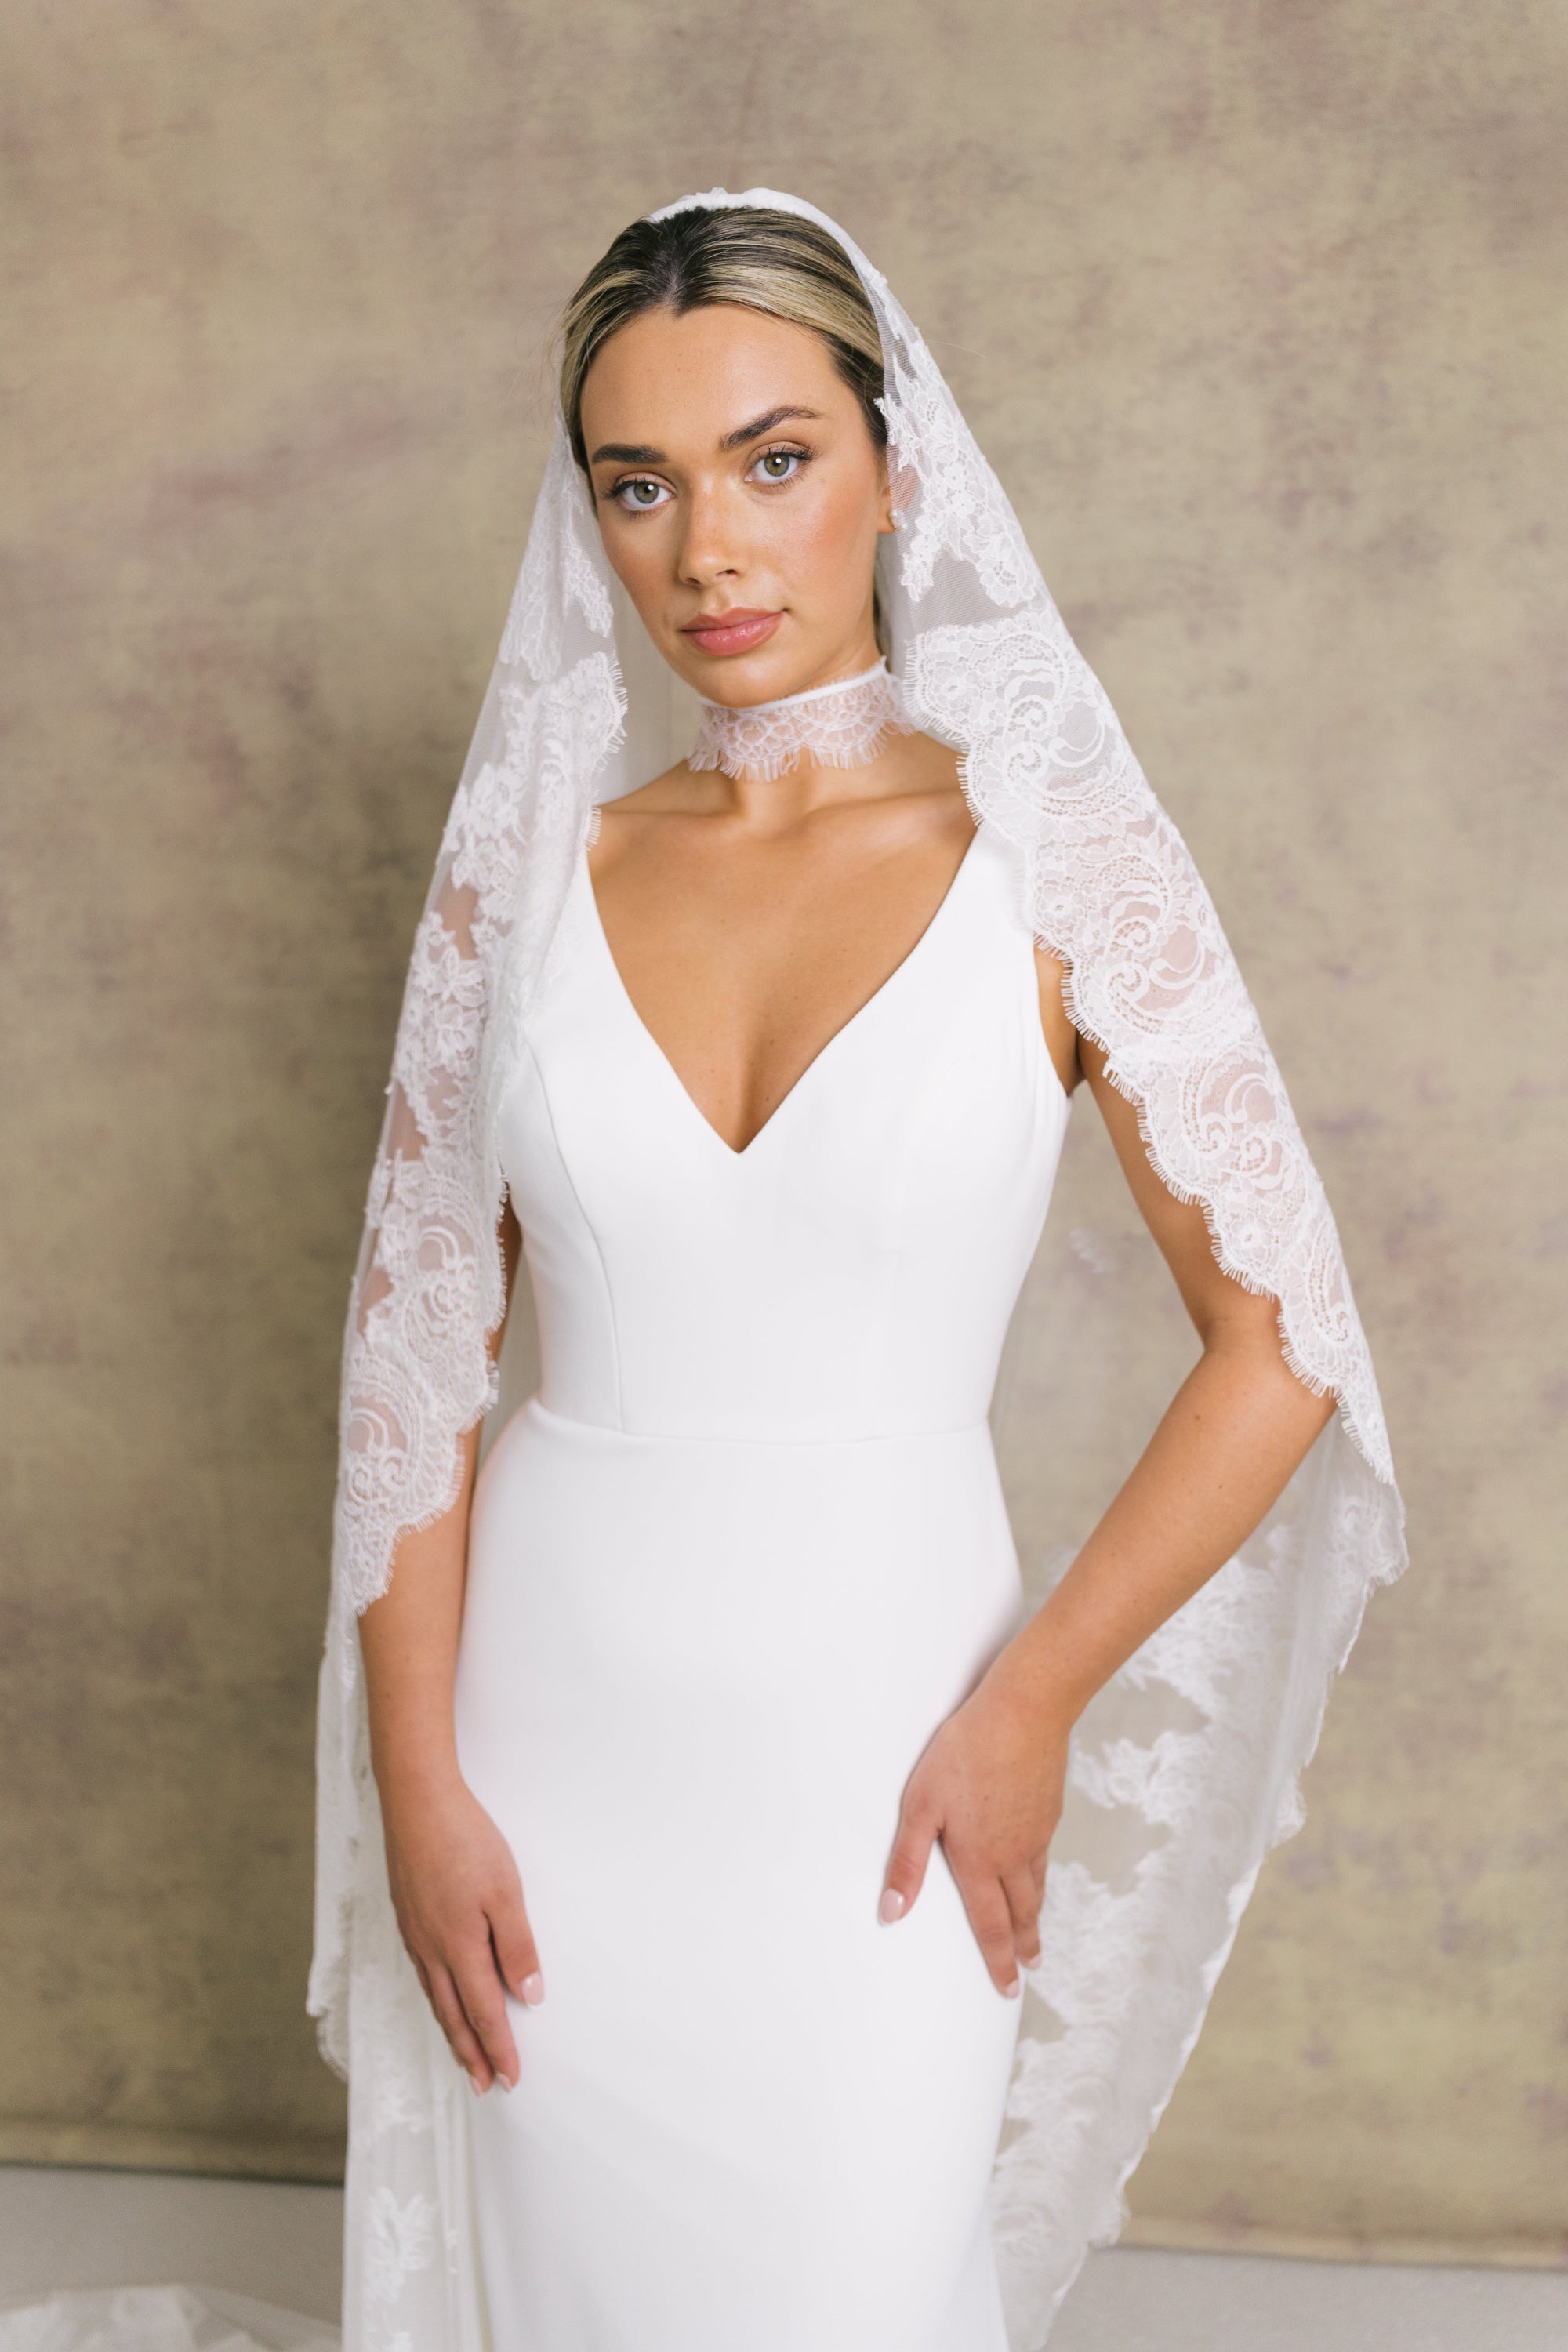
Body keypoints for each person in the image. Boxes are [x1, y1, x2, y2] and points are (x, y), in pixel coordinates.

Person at [310, 191, 1406, 2352]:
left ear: (897, 466)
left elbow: (1286, 1338)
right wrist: (420, 1782)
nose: (709, 551)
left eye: (774, 460)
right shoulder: (523, 893)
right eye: (640, 485)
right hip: (546, 1746)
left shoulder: (1055, 864)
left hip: (890, 1732)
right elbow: (411, 1367)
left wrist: (1033, 1701)